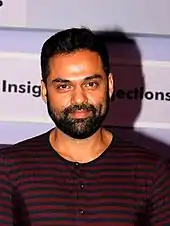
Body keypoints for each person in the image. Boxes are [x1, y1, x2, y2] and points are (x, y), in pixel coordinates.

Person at [0, 27, 170, 226]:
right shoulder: (8, 168)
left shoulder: (153, 172)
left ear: (110, 85)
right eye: (64, 86)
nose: (79, 99)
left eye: (90, 84)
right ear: (45, 91)